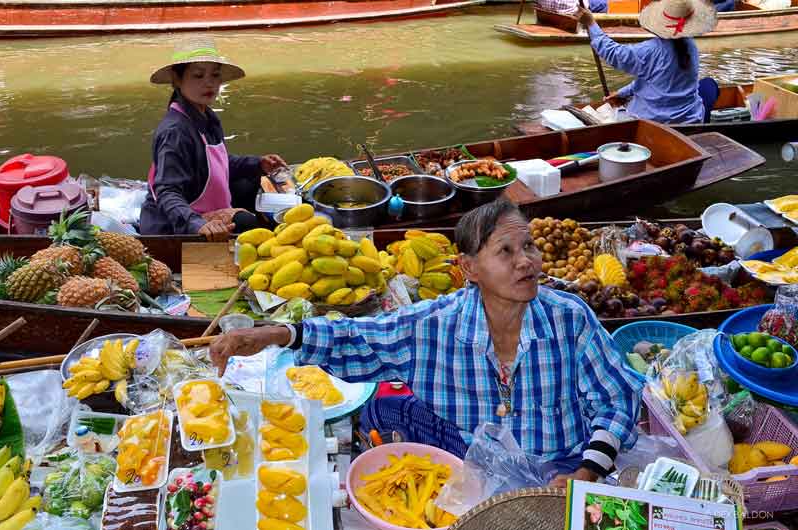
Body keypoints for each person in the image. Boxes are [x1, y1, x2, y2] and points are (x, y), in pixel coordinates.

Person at [210, 199, 642, 486]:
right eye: (505, 252)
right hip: (471, 462)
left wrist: (587, 471)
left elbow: (618, 399)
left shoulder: (569, 318)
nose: (526, 260)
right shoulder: (435, 324)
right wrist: (274, 333)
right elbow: (357, 338)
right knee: (382, 406)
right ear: (469, 268)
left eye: (528, 246)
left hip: (562, 467)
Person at [140, 36, 287, 241]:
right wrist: (198, 224)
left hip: (200, 202)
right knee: (247, 223)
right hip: (174, 223)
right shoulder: (175, 132)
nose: (209, 83)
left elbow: (217, 164)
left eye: (215, 75)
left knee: (251, 182)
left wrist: (258, 163)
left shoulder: (207, 117)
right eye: (198, 75)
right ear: (177, 79)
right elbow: (167, 192)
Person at [577, 0, 720, 124]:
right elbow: (652, 79)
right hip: (690, 119)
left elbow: (614, 54)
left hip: (654, 123)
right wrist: (623, 92)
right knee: (709, 85)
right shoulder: (690, 45)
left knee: (708, 85)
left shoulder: (651, 50)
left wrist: (591, 24)